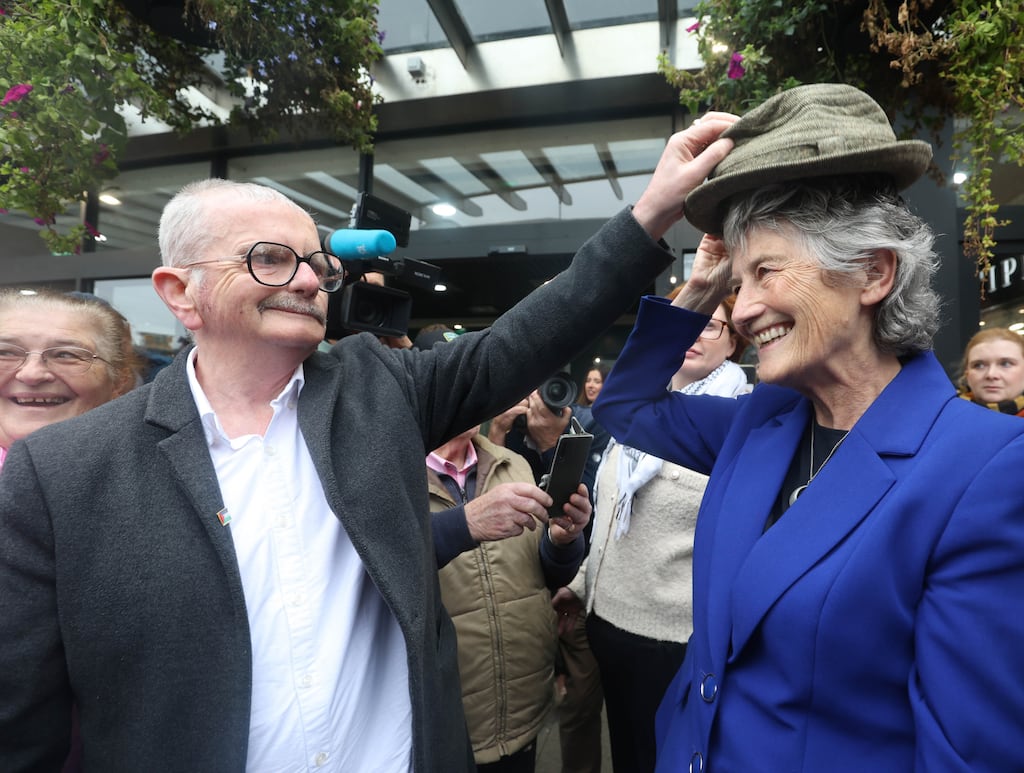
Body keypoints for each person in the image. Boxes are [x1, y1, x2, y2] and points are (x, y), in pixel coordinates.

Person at [0, 112, 739, 772]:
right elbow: (23, 724)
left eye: (316, 263)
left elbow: (527, 335)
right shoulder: (60, 472)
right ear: (178, 291)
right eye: (268, 259)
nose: (306, 281)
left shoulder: (378, 386)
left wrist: (652, 212)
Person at [592, 83, 1024, 772]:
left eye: (765, 271)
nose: (742, 309)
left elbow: (964, 755)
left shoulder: (983, 469)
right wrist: (702, 283)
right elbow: (623, 408)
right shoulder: (761, 422)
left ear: (874, 272)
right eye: (739, 282)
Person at [553, 291, 749, 773]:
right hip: (607, 621)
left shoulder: (741, 419)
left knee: (666, 758)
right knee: (627, 753)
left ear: (735, 344)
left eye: (710, 325)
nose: (695, 333)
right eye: (690, 322)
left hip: (675, 640)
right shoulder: (637, 416)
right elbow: (616, 520)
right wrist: (581, 586)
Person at [423, 326, 591, 770]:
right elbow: (373, 571)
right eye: (453, 382)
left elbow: (545, 573)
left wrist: (563, 540)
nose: (468, 395)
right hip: (447, 718)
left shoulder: (513, 463)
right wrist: (464, 524)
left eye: (476, 382)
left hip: (522, 708)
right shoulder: (390, 475)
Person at [0, 289, 138, 469]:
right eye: (5, 352)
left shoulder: (149, 475)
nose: (31, 374)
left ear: (119, 380)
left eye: (65, 355)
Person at [958, 326, 1024, 416]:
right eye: (979, 365)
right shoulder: (944, 416)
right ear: (967, 373)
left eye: (1006, 364)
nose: (991, 374)